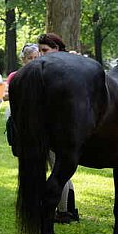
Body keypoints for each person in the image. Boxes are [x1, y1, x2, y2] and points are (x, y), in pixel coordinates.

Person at [36, 33, 80, 223]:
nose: (41, 55)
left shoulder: (66, 72)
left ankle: (63, 212)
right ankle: (68, 209)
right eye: (40, 51)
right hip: (48, 131)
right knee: (61, 172)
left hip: (59, 132)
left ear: (57, 49)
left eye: (45, 50)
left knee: (59, 171)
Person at [3, 44, 39, 146]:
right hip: (20, 119)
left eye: (36, 58)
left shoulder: (44, 75)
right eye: (30, 58)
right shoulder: (14, 76)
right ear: (23, 59)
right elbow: (3, 96)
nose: (33, 61)